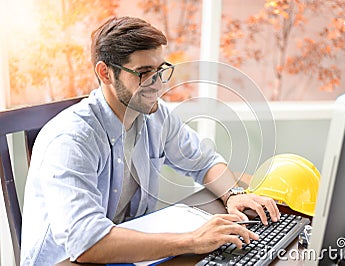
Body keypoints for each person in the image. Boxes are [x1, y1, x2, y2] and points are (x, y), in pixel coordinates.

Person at [20, 16, 280, 265]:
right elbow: (87, 242)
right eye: (144, 73)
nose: (158, 85)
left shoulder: (154, 115)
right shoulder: (71, 140)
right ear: (105, 73)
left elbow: (204, 161)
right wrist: (191, 240)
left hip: (127, 253)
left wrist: (233, 194)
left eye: (161, 70)